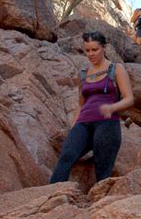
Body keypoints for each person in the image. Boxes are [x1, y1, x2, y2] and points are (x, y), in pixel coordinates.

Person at [50, 31, 134, 183]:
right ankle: (50, 196)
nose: (90, 54)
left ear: (104, 48)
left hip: (107, 124)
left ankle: (100, 203)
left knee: (102, 168)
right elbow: (81, 103)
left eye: (94, 50)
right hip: (83, 123)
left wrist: (112, 107)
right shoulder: (83, 74)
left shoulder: (116, 69)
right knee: (66, 156)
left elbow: (129, 99)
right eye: (87, 50)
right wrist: (74, 126)